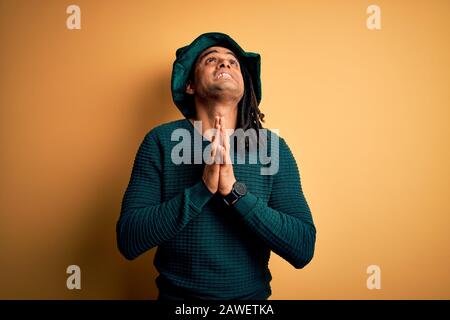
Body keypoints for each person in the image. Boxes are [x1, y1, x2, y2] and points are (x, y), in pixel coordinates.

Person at [116, 32, 316, 300]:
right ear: (190, 85)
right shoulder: (161, 141)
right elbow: (129, 240)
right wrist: (203, 188)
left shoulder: (272, 148)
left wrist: (234, 193)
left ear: (246, 85)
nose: (225, 64)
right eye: (211, 60)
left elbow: (302, 248)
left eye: (233, 62)